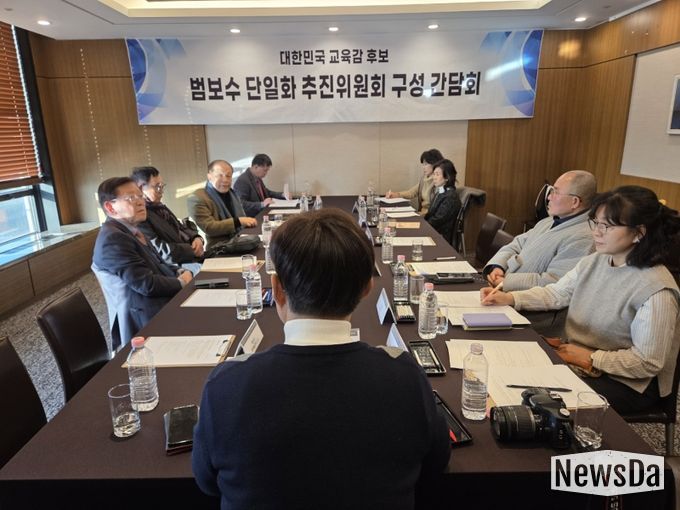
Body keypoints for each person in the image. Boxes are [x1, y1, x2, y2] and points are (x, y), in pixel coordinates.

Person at [192, 208, 450, 510]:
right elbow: (435, 464)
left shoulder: (226, 386)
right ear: (367, 288)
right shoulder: (405, 379)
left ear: (276, 289)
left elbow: (206, 482)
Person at [481, 185, 680, 414]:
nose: (597, 232)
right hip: (578, 358)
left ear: (639, 233)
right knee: (504, 371)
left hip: (627, 383)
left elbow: (647, 361)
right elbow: (557, 293)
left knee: (526, 401)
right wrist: (510, 298)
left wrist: (591, 357)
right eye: (595, 223)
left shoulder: (656, 289)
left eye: (607, 226)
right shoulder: (596, 261)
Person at [92, 177, 193, 349]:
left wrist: (178, 271)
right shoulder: (113, 239)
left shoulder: (130, 229)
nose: (141, 202)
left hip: (160, 301)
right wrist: (182, 282)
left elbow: (159, 263)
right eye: (131, 198)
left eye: (140, 196)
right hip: (145, 317)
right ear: (110, 207)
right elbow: (146, 284)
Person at [483, 170, 597, 291]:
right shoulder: (549, 221)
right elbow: (517, 244)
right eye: (551, 191)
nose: (548, 197)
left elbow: (555, 281)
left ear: (575, 202)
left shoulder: (583, 238)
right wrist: (498, 266)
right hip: (503, 285)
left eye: (555, 192)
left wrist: (506, 282)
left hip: (521, 297)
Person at [130, 166, 204, 273]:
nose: (161, 191)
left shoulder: (159, 207)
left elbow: (180, 227)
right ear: (141, 188)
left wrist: (196, 238)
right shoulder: (140, 215)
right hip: (175, 266)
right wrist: (191, 250)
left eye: (162, 186)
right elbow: (159, 251)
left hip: (189, 258)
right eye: (157, 187)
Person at [187, 160, 257, 250]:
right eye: (220, 175)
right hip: (218, 248)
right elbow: (209, 228)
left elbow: (242, 218)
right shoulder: (197, 198)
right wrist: (238, 221)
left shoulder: (232, 194)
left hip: (239, 240)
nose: (225, 180)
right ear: (209, 176)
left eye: (228, 176)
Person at [385, 148, 444, 214]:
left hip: (429, 216)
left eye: (426, 164)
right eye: (423, 164)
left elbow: (438, 210)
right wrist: (396, 194)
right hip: (422, 214)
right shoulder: (424, 179)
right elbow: (411, 192)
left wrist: (420, 215)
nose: (423, 167)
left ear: (435, 164)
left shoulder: (440, 183)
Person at [424, 158, 461, 245]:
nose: (434, 177)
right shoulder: (441, 192)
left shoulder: (451, 197)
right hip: (433, 232)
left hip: (441, 238)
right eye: (434, 174)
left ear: (447, 177)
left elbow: (437, 220)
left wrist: (421, 226)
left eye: (437, 174)